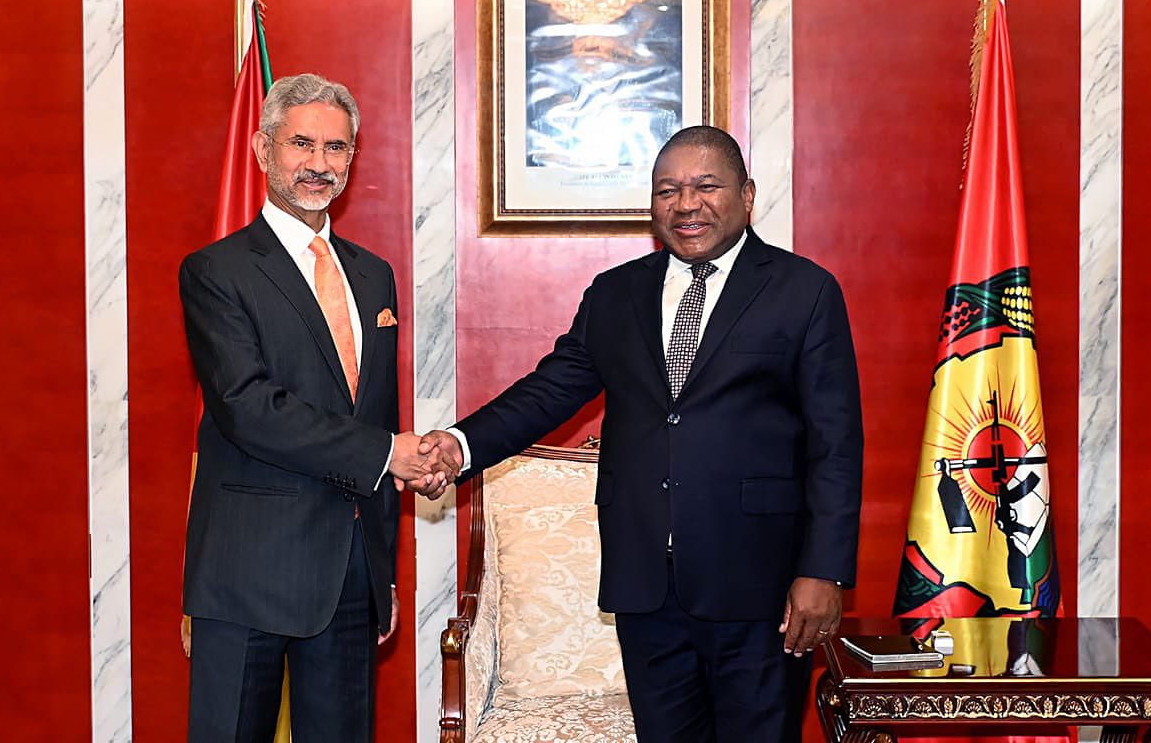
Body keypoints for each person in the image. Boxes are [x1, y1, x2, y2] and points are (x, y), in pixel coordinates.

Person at [416, 125, 863, 743]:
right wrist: (458, 445)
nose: (687, 204)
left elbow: (836, 443)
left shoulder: (804, 290)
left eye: (707, 186)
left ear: (747, 194)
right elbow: (550, 391)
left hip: (761, 585)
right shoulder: (615, 294)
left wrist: (825, 570)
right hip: (646, 583)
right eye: (668, 190)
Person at [179, 73, 457, 743]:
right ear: (261, 148)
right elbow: (249, 408)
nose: (319, 163)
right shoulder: (216, 270)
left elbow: (378, 414)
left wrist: (382, 572)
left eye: (337, 147)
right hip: (247, 571)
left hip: (348, 578)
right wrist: (390, 452)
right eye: (301, 143)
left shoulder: (372, 273)